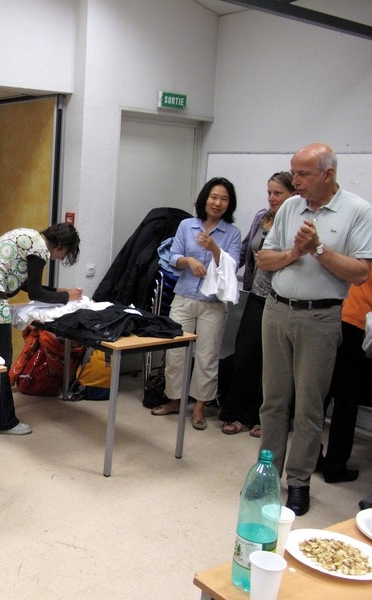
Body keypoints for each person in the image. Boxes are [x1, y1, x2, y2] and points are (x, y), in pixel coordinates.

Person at [257, 143, 372, 516]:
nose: (295, 181)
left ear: (328, 174)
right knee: (273, 402)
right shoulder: (291, 207)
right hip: (277, 311)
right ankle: (267, 475)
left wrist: (319, 249)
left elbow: (360, 272)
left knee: (308, 407)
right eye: (294, 172)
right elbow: (264, 258)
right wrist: (295, 253)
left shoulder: (357, 211)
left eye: (303, 174)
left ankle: (299, 482)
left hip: (320, 319)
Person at [0, 224, 82, 434]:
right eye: (63, 254)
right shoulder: (40, 249)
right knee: (0, 362)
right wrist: (66, 297)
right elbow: (35, 293)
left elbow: (24, 283)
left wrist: (57, 291)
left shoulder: (29, 236)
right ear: (61, 245)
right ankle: (3, 421)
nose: (60, 258)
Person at [150, 178, 242, 430]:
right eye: (214, 197)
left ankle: (199, 407)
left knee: (207, 356)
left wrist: (214, 249)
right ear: (205, 199)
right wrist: (188, 261)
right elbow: (172, 256)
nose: (218, 203)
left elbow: (232, 266)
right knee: (175, 353)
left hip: (214, 303)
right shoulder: (186, 225)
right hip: (184, 296)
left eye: (224, 199)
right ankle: (174, 400)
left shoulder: (232, 233)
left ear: (229, 204)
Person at [219, 172, 295, 436]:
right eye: (269, 192)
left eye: (278, 193)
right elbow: (244, 251)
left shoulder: (296, 223)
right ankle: (236, 413)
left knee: (273, 362)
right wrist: (223, 271)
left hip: (283, 301)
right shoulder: (262, 217)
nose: (272, 198)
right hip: (257, 296)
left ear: (293, 195)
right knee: (245, 355)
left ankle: (266, 419)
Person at [317, 272, 372, 483]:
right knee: (346, 401)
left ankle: (310, 457)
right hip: (359, 322)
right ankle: (335, 467)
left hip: (333, 313)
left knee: (320, 395)